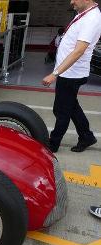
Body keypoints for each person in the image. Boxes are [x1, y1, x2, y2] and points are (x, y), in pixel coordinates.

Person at [42, 0, 101, 153]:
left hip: (71, 74)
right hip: (68, 72)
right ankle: (86, 136)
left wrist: (55, 74)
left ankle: (53, 144)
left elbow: (78, 51)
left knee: (62, 110)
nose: (71, 2)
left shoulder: (92, 19)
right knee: (71, 106)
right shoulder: (83, 13)